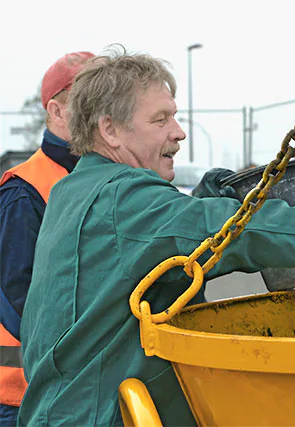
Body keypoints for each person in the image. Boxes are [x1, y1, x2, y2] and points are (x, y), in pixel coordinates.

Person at [18, 47, 295, 426]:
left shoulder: (74, 190)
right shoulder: (123, 204)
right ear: (110, 130)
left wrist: (200, 202)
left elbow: (140, 261)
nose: (179, 131)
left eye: (176, 116)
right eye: (161, 119)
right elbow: (245, 232)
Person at [0, 51, 93, 426]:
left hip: (69, 390)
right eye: (89, 99)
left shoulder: (93, 179)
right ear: (56, 111)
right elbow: (19, 298)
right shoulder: (24, 191)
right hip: (22, 396)